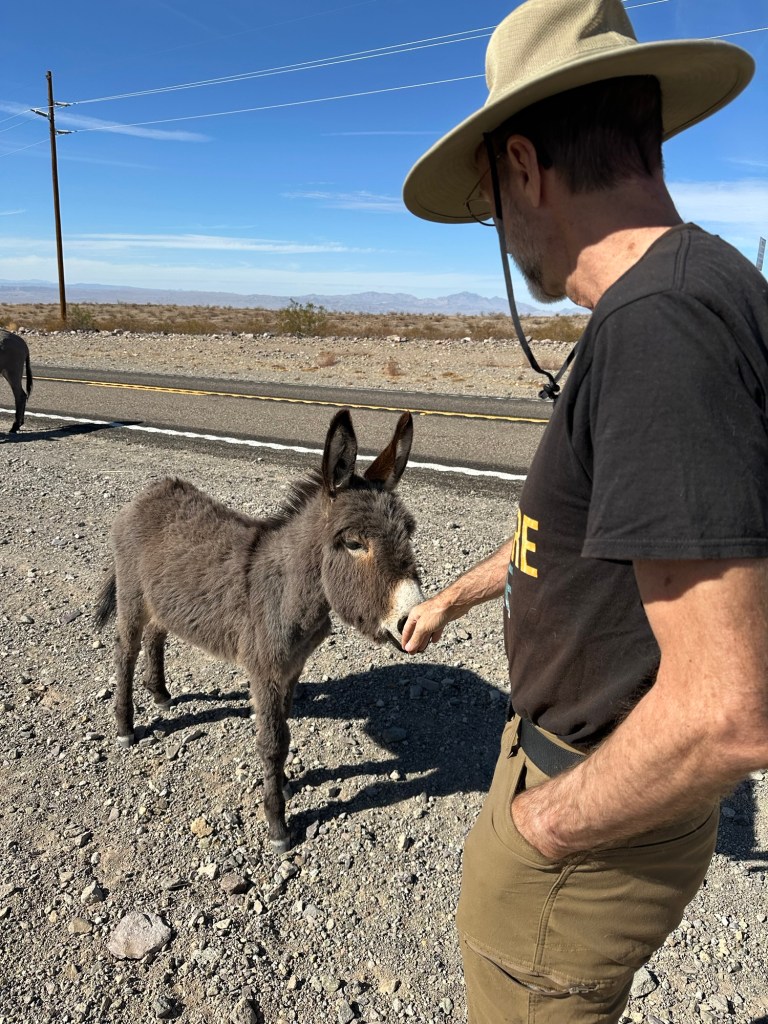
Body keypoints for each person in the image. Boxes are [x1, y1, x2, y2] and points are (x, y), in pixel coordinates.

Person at [400, 1, 768, 1021]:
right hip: (596, 794)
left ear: (524, 167)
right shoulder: (701, 289)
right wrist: (461, 600)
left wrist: (544, 827)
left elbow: (732, 708)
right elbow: (584, 545)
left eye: (488, 200)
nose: (500, 230)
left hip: (582, 819)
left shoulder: (662, 327)